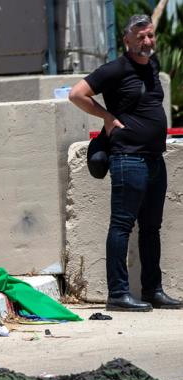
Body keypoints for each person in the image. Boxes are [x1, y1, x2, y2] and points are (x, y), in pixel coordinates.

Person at [69, 14, 182, 311]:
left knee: (151, 228)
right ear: (127, 40)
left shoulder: (152, 65)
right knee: (121, 225)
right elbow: (76, 94)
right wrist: (107, 117)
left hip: (155, 159)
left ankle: (152, 290)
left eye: (150, 35)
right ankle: (118, 294)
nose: (147, 41)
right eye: (140, 37)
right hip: (128, 158)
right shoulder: (116, 69)